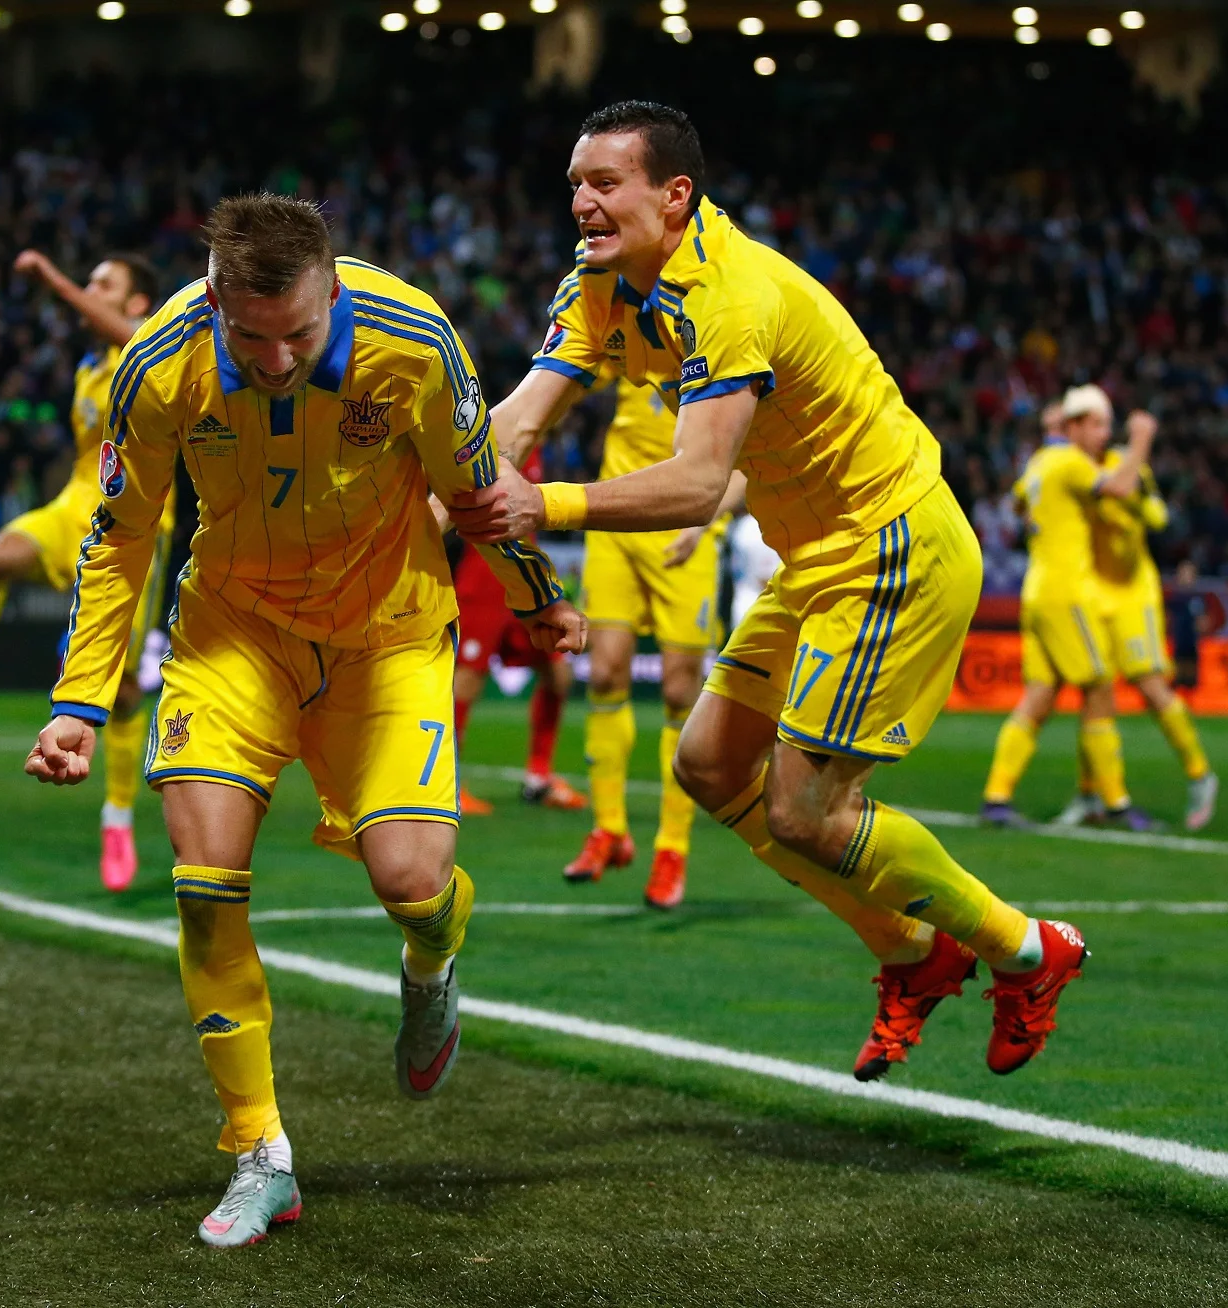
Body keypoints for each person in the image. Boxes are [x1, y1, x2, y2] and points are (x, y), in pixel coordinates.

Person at [456, 101, 1085, 1086]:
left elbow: (696, 484)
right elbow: (520, 418)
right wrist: (438, 485)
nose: (580, 203)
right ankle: (910, 953)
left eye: (604, 183)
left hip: (889, 547)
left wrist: (546, 504)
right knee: (708, 765)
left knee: (803, 811)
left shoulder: (731, 292)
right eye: (574, 184)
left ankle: (1029, 950)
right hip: (817, 559)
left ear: (674, 195)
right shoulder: (598, 283)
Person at [24, 195, 583, 1248]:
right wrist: (78, 703)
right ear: (214, 302)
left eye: (298, 334)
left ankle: (432, 961)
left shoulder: (414, 341)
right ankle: (259, 1155)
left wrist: (533, 593)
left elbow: (474, 485)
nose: (276, 360)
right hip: (232, 633)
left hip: (387, 633)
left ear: (331, 287)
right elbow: (121, 533)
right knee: (203, 884)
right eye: (250, 336)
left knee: (411, 881)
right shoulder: (157, 366)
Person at [0, 251, 175, 893]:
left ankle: (117, 819)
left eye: (104, 283)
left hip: (135, 526)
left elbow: (124, 334)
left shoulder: (152, 346)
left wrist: (53, 281)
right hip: (74, 507)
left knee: (122, 693)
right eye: (89, 281)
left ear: (136, 304)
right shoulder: (88, 366)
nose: (91, 289)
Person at [562, 381, 733, 910]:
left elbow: (748, 462)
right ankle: (609, 828)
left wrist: (706, 518)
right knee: (604, 672)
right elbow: (570, 369)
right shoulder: (630, 341)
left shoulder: (725, 357)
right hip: (617, 521)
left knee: (680, 691)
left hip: (685, 528)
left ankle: (671, 849)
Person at [981, 385, 1158, 831]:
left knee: (1039, 698)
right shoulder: (1070, 462)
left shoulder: (1040, 462)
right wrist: (1140, 441)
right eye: (1096, 424)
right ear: (1072, 426)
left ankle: (997, 797)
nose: (1104, 435)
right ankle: (1115, 803)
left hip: (1036, 590)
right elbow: (1121, 486)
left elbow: (1019, 504)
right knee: (1099, 688)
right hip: (1067, 592)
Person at [1053, 437, 1218, 830]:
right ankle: (1090, 793)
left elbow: (1159, 518)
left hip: (1132, 595)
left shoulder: (1125, 464)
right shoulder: (1070, 467)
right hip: (1092, 592)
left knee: (1150, 684)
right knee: (1094, 693)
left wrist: (1135, 479)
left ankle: (1200, 774)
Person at [450, 527, 587, 817]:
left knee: (558, 673)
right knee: (468, 677)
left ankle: (539, 778)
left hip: (526, 571)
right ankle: (447, 784)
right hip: (484, 571)